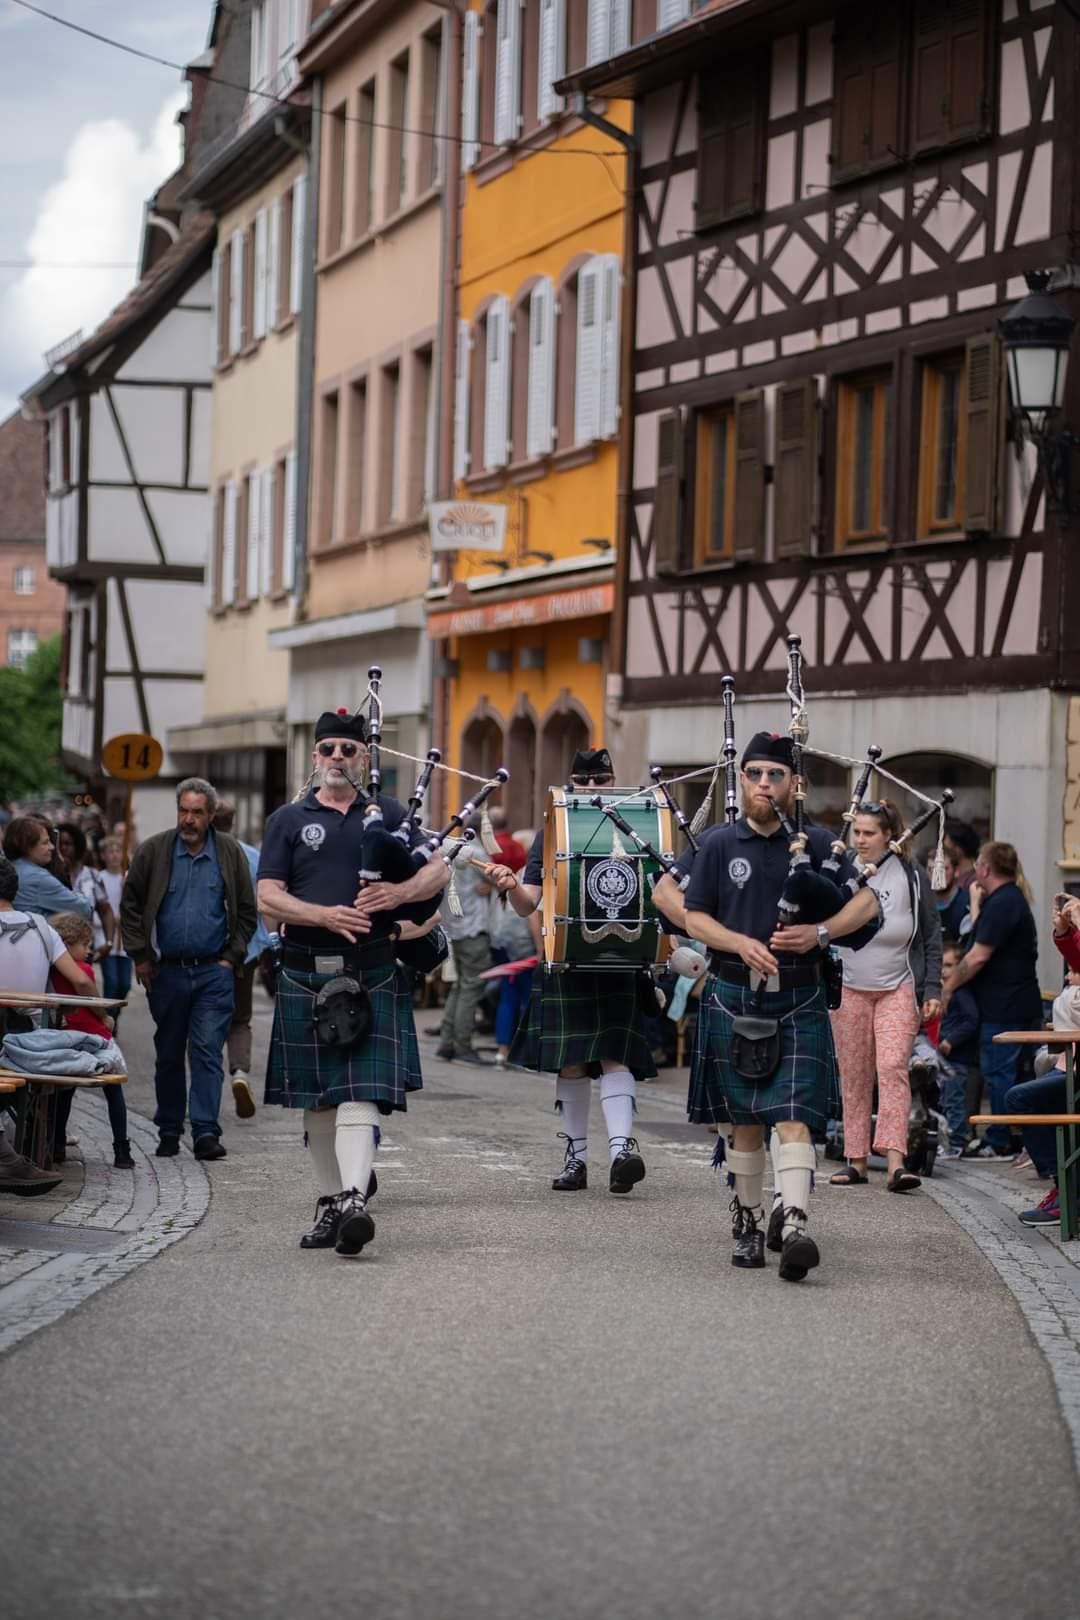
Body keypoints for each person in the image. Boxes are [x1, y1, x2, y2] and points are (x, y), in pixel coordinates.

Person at [681, 732, 879, 1281]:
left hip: (798, 996)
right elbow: (693, 916)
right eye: (755, 774)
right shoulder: (719, 844)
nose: (764, 785)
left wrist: (820, 932)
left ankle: (794, 1226)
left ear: (796, 784)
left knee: (793, 1119)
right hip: (733, 993)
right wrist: (737, 942)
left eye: (775, 775)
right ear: (742, 780)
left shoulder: (819, 844)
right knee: (745, 1123)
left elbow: (867, 904)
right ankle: (747, 1222)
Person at [256, 708, 448, 1258]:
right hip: (305, 969)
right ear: (314, 756)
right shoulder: (289, 820)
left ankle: (354, 1202)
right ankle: (333, 1201)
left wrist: (399, 894)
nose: (337, 757)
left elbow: (439, 868)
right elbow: (268, 895)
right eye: (328, 749)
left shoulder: (389, 813)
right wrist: (323, 915)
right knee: (319, 1100)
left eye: (348, 749)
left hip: (372, 967)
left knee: (359, 1091)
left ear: (365, 757)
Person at [482, 747, 656, 1198]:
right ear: (571, 782)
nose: (593, 789)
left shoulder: (637, 822)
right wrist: (511, 886)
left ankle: (620, 1153)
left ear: (614, 781)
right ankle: (576, 1159)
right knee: (573, 1060)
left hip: (619, 953)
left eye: (602, 781)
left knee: (615, 1052)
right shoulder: (552, 828)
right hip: (567, 954)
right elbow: (530, 903)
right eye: (584, 781)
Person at [120, 778, 257, 1161]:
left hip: (214, 971)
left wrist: (232, 957)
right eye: (183, 810)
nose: (188, 819)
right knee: (168, 1053)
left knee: (207, 1051)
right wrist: (140, 955)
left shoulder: (228, 852)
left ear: (211, 815)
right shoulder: (154, 851)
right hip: (167, 972)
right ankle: (168, 1129)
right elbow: (130, 905)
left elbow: (247, 911)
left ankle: (205, 1132)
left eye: (197, 812)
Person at [827, 801, 942, 1193]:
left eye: (869, 833)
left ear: (889, 835)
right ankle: (856, 1160)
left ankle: (895, 1162)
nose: (860, 840)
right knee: (854, 1073)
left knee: (892, 1067)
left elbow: (930, 933)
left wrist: (932, 988)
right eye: (856, 832)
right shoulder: (842, 869)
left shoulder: (910, 874)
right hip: (849, 985)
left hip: (898, 984)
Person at [0, 854, 92, 1195]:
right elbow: (80, 981)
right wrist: (103, 1017)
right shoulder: (40, 926)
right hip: (31, 1042)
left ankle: (10, 1158)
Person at [946, 842, 1042, 1159]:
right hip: (1017, 1002)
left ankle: (999, 1138)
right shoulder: (1008, 900)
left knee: (1000, 1074)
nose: (975, 870)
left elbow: (977, 956)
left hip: (1005, 1007)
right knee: (1018, 1074)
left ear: (986, 868)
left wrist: (947, 987)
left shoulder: (1003, 903)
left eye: (978, 865)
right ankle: (1020, 1138)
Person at [1002, 897, 1080, 1225]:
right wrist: (1064, 931)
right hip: (1069, 1064)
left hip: (1072, 1067)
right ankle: (1066, 1188)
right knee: (1027, 1100)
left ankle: (1067, 1189)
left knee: (1020, 1099)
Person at [46, 912, 132, 1170]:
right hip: (94, 1037)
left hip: (66, 1040)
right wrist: (106, 1017)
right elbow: (91, 1001)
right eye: (84, 945)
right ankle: (122, 1149)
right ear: (67, 944)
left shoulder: (50, 971)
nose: (88, 950)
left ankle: (57, 1144)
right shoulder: (82, 971)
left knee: (65, 1091)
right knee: (113, 1087)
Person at [212, 799, 271, 1120]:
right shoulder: (252, 855)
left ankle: (204, 1091)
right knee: (240, 1019)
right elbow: (266, 903)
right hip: (246, 951)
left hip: (208, 952)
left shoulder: (202, 854)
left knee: (203, 1021)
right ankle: (239, 1071)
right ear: (232, 823)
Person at [436, 832, 494, 1065]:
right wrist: (490, 884)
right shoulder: (475, 853)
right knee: (471, 988)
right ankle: (462, 1046)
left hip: (454, 927)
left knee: (460, 986)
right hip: (473, 928)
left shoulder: (448, 849)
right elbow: (499, 876)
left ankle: (446, 1044)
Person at [935, 937, 981, 1159]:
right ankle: (949, 1139)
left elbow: (971, 1021)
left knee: (955, 1100)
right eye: (941, 965)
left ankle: (957, 1141)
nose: (944, 971)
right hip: (946, 1059)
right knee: (946, 1099)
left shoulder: (961, 993)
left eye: (949, 965)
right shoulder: (943, 992)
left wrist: (950, 1041)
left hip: (957, 1058)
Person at [2, 816, 93, 923]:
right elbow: (84, 909)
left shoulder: (9, 869)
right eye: (45, 843)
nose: (52, 847)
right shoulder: (37, 877)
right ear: (27, 846)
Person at [56, 823, 114, 965]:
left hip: (85, 947)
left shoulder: (92, 875)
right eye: (59, 844)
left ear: (77, 845)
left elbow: (105, 910)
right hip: (56, 947)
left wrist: (108, 942)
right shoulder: (49, 875)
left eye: (68, 844)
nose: (63, 848)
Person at [97, 837, 132, 1016]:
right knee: (112, 982)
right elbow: (97, 907)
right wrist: (110, 919)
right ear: (103, 856)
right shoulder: (99, 878)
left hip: (124, 940)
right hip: (107, 938)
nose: (115, 855)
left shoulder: (127, 878)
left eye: (118, 851)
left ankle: (113, 1016)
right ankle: (107, 1019)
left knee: (124, 984)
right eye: (110, 852)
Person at [931, 848, 971, 940]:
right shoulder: (921, 903)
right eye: (931, 869)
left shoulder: (966, 904)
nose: (937, 875)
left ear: (956, 871)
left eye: (944, 869)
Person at [944, 819, 980, 892]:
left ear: (958, 850)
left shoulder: (973, 882)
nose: (943, 853)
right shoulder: (953, 877)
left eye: (947, 849)